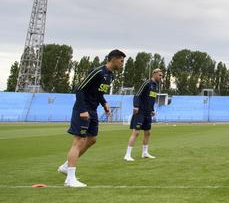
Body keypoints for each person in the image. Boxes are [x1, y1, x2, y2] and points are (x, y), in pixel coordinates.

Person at [57, 49, 126, 187]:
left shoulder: (110, 76)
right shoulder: (98, 72)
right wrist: (82, 110)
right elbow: (80, 88)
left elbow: (99, 93)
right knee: (79, 141)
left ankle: (66, 166)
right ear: (113, 59)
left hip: (93, 110)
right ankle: (70, 179)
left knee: (92, 140)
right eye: (121, 61)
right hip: (83, 109)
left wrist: (104, 103)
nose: (122, 64)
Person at [124, 68, 163, 161]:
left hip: (148, 112)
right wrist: (136, 106)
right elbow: (137, 95)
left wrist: (152, 109)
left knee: (148, 132)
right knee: (136, 132)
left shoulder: (156, 86)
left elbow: (151, 99)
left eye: (162, 76)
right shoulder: (147, 83)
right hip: (140, 111)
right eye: (160, 75)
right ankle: (127, 154)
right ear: (154, 74)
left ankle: (145, 153)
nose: (161, 77)